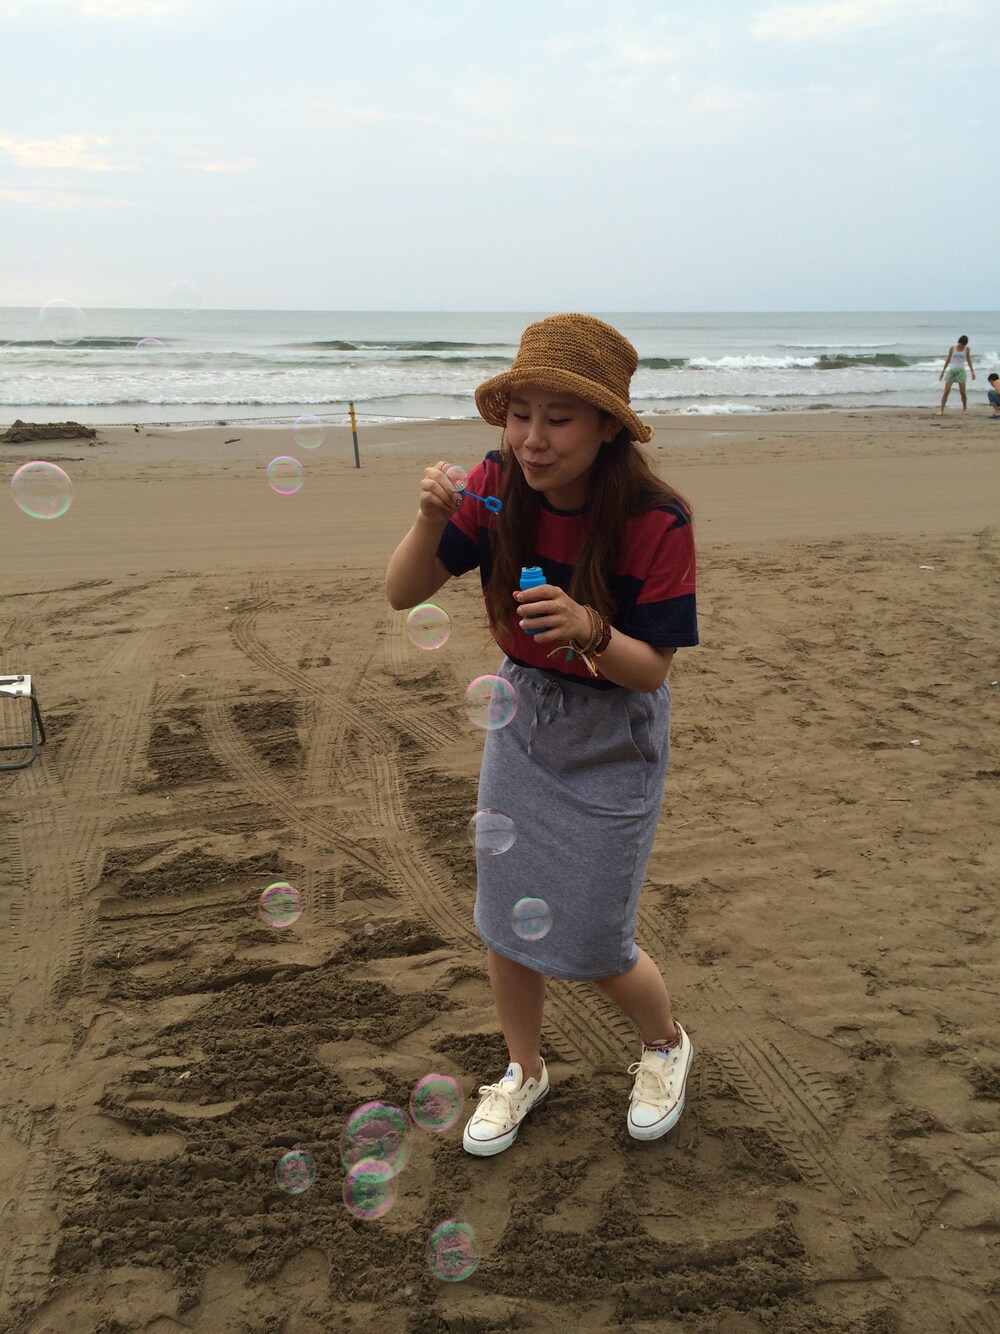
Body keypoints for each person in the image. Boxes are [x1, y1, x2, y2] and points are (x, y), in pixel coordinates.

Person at [385, 314, 698, 1156]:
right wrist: (428, 519)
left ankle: (665, 1045)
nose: (531, 439)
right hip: (521, 715)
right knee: (505, 916)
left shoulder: (657, 521)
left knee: (595, 933)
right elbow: (402, 591)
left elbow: (650, 671)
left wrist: (591, 629)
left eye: (558, 419)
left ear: (607, 426)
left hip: (613, 732)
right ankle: (524, 1068)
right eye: (520, 415)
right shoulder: (494, 487)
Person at [938, 335, 975, 414]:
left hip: (961, 371)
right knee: (946, 391)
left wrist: (972, 372)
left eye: (964, 344)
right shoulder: (953, 348)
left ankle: (964, 409)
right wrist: (942, 372)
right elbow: (948, 360)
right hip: (952, 371)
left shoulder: (967, 349)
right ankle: (941, 410)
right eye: (962, 344)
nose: (963, 346)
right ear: (959, 342)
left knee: (963, 393)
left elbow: (969, 360)